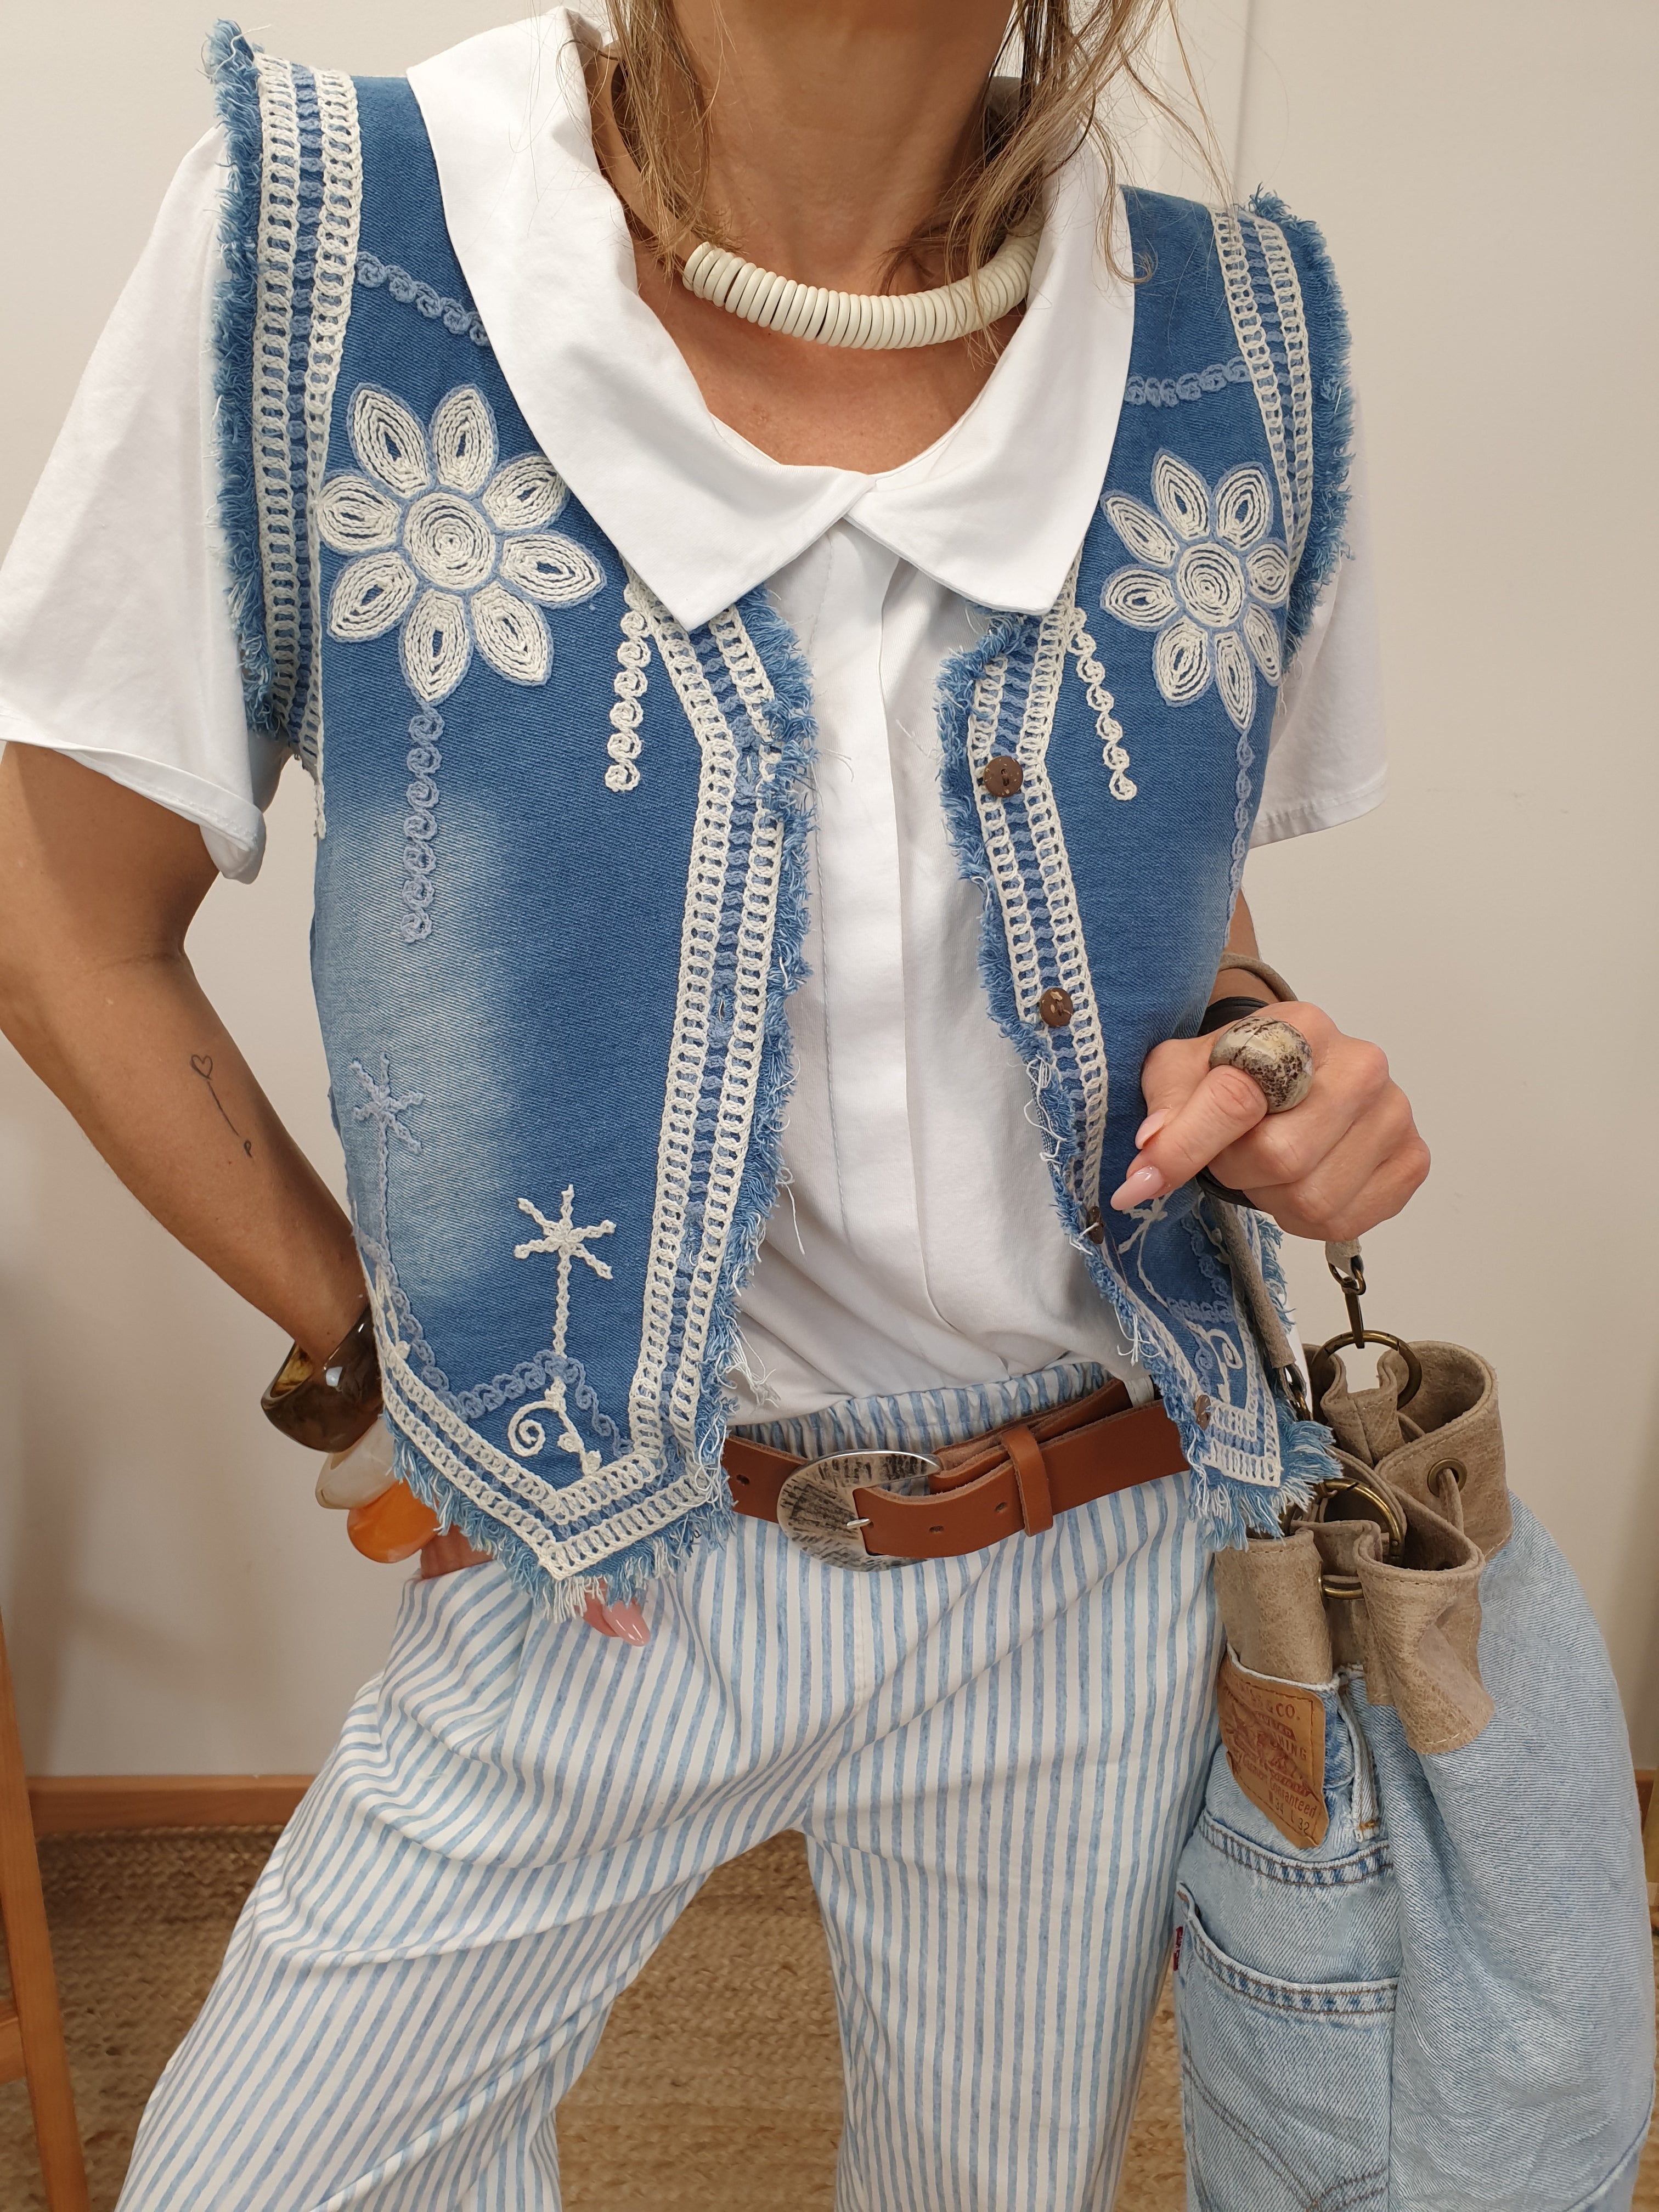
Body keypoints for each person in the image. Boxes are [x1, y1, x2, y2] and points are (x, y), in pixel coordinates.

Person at [0, 2, 1427, 2204]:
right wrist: (381, 1360)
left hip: (1104, 1539)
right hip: (613, 1542)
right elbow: (58, 918)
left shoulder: (1218, 338)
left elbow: (1175, 903)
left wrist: (1271, 1057)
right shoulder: (348, 242)